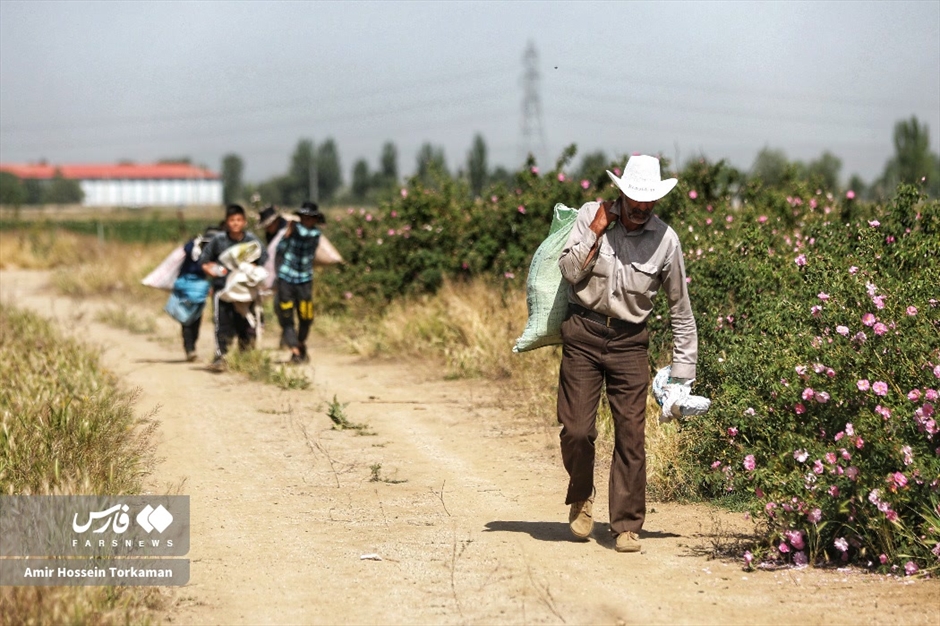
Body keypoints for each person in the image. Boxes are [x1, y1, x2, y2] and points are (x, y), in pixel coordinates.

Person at [556, 154, 697, 553]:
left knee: (631, 436)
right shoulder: (590, 215)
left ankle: (626, 524)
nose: (639, 208)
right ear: (621, 193)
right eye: (633, 200)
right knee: (577, 431)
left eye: (647, 202)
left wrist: (683, 374)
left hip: (630, 342)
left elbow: (680, 310)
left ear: (656, 202)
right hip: (583, 333)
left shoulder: (666, 240)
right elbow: (569, 273)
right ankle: (581, 496)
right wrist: (596, 232)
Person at [199, 204, 269, 371]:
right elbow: (204, 260)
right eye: (232, 220)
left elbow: (263, 257)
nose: (235, 223)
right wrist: (212, 270)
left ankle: (246, 357)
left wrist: (251, 267)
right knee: (222, 323)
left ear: (244, 222)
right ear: (226, 222)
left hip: (245, 291)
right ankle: (221, 357)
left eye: (238, 220)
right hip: (222, 290)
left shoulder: (252, 240)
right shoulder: (218, 240)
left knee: (245, 323)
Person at [275, 201, 324, 364]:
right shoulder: (291, 231)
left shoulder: (315, 234)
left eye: (311, 218)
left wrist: (292, 227)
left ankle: (300, 344)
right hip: (286, 278)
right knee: (287, 316)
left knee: (306, 316)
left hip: (304, 279)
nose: (307, 221)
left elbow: (305, 234)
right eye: (305, 218)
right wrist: (287, 233)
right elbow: (280, 248)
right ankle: (295, 351)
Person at [176, 224, 222, 361]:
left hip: (201, 288)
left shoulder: (212, 252)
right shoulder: (193, 247)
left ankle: (191, 347)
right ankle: (189, 347)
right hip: (188, 285)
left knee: (195, 317)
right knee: (188, 318)